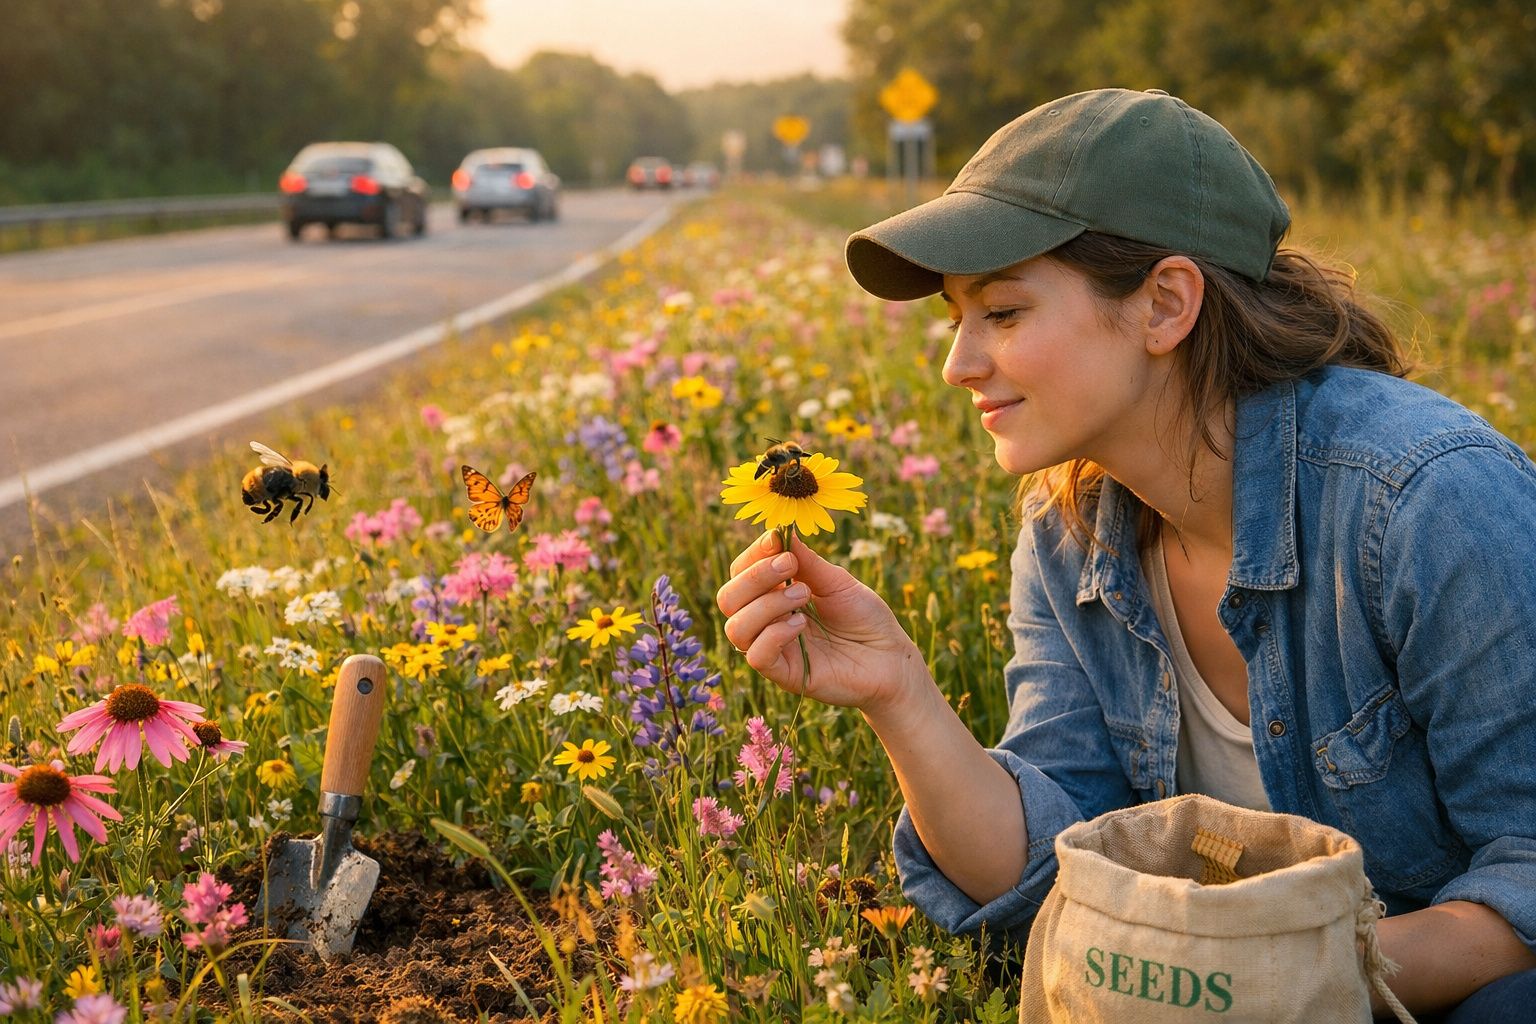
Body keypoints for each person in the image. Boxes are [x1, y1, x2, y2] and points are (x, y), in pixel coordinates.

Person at [716, 88, 1536, 1020]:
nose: (958, 363)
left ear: (1165, 305)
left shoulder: (1429, 501)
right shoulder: (1068, 529)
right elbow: (1052, 870)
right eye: (956, 319)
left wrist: (1257, 981)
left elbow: (1530, 876)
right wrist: (896, 691)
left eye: (1005, 311)